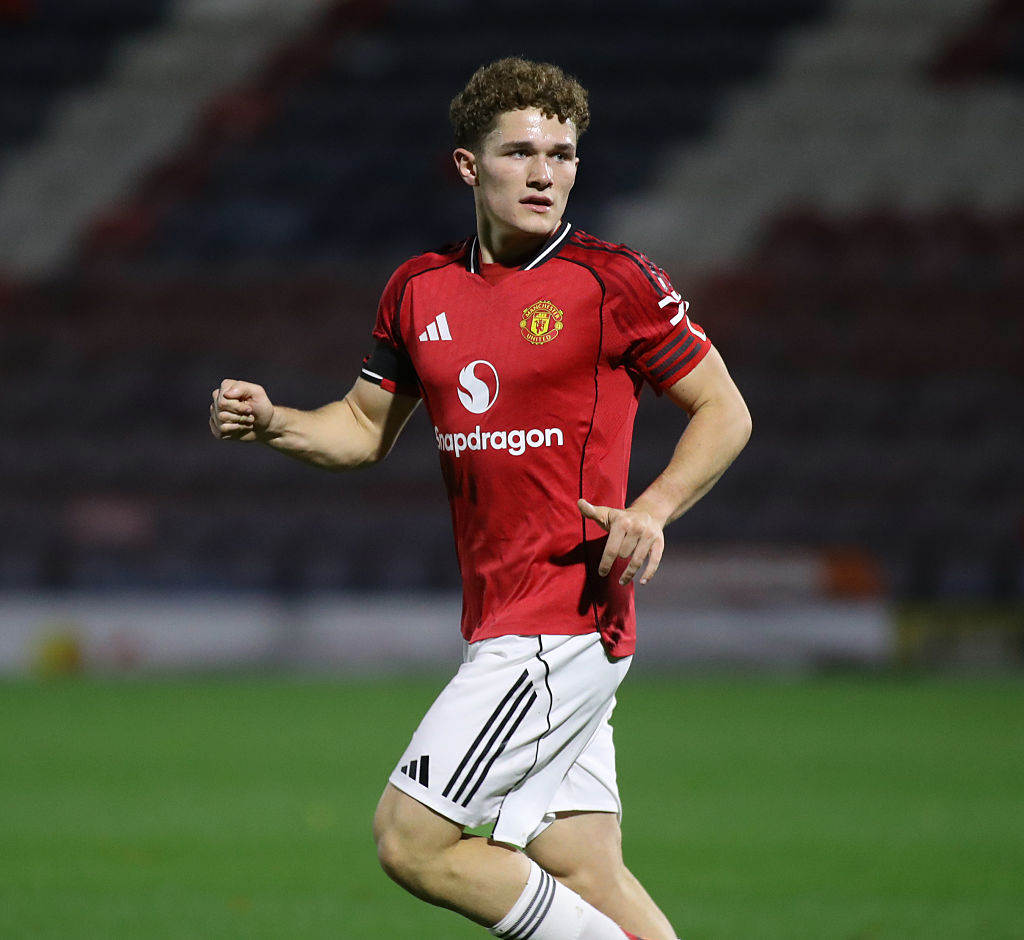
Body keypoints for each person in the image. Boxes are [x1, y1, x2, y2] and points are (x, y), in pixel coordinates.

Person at [210, 57, 750, 940]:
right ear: (469, 166)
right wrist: (273, 422)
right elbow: (358, 427)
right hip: (503, 618)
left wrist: (653, 509)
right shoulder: (419, 289)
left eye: (564, 154)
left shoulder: (610, 280)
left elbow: (725, 410)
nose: (546, 173)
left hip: (561, 624)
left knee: (411, 840)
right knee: (584, 865)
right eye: (522, 152)